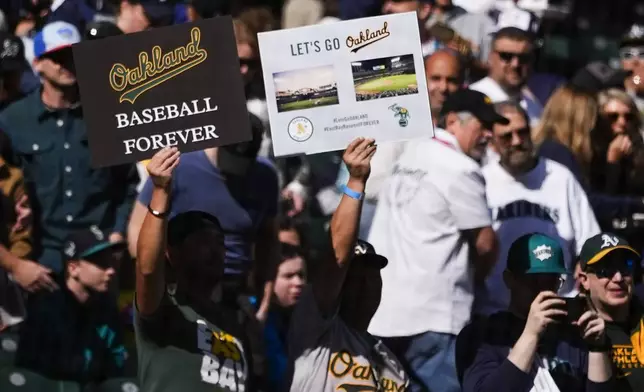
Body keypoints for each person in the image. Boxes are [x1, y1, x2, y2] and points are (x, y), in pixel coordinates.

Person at [367, 90, 503, 392]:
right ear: (453, 121)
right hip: (436, 316)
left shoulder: (411, 153)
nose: (489, 135)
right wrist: (477, 279)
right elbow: (486, 244)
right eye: (483, 126)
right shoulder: (460, 168)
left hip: (386, 314)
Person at [0, 21, 139, 273]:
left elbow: (127, 184)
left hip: (97, 254)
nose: (66, 63)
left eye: (73, 55)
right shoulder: (12, 120)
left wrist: (118, 232)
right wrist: (16, 262)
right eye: (56, 57)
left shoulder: (107, 114)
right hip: (40, 259)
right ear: (37, 64)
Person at [288, 137, 409, 391]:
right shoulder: (315, 333)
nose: (366, 283)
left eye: (372, 273)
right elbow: (338, 256)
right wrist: (356, 181)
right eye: (355, 276)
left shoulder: (391, 362)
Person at [134, 147, 252, 392]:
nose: (216, 250)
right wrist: (160, 191)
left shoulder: (235, 324)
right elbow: (147, 268)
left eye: (220, 243)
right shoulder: (164, 309)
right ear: (172, 252)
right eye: (204, 241)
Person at [478, 101, 600, 315]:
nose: (517, 142)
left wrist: (585, 263)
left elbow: (591, 241)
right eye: (507, 136)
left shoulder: (560, 177)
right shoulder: (482, 181)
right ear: (491, 141)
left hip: (558, 308)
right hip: (498, 311)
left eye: (522, 132)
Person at [458, 233, 614, 391]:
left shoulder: (573, 335)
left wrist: (597, 348)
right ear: (509, 279)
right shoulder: (483, 335)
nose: (542, 290)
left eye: (551, 281)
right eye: (533, 280)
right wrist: (531, 334)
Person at [15, 226, 127, 384]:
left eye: (111, 261)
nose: (111, 270)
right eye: (101, 263)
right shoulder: (45, 311)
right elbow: (29, 375)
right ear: (73, 269)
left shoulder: (107, 309)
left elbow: (116, 367)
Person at [577, 232, 644, 391]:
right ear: (584, 280)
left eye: (626, 266)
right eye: (605, 270)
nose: (619, 278)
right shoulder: (576, 332)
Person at [469, 27, 543, 124]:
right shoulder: (473, 99)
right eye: (506, 56)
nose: (515, 64)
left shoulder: (533, 104)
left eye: (523, 58)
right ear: (490, 57)